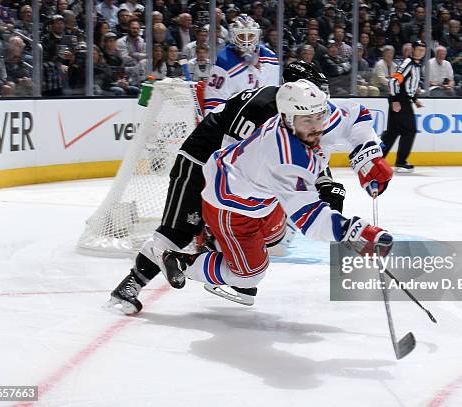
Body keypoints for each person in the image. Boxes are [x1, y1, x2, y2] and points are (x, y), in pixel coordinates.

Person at [108, 62, 391, 313]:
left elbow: (347, 122)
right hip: (203, 162)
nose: (322, 114)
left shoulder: (303, 113)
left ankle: (226, 257)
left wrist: (367, 156)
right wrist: (351, 226)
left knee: (273, 234)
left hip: (244, 177)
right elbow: (254, 161)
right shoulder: (266, 119)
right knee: (178, 230)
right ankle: (131, 285)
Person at [203, 14, 279, 113]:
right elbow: (214, 102)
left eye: (250, 36)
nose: (246, 41)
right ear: (233, 37)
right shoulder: (225, 63)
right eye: (242, 36)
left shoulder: (270, 58)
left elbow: (274, 97)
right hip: (236, 120)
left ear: (257, 36)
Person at [382, 39, 426, 173]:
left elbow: (407, 85)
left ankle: (375, 158)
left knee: (392, 132)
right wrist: (395, 100)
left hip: (404, 99)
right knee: (410, 130)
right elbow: (393, 81)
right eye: (418, 49)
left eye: (423, 50)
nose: (421, 52)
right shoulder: (408, 63)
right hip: (400, 100)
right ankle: (400, 161)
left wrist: (414, 99)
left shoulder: (417, 65)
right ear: (412, 50)